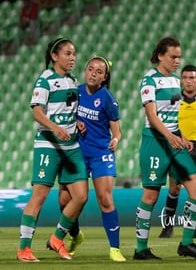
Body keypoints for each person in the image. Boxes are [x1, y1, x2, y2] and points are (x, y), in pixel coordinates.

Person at [134, 36, 196, 260]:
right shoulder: (149, 80)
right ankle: (140, 249)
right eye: (173, 56)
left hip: (175, 141)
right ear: (160, 56)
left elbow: (173, 115)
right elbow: (152, 115)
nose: (177, 60)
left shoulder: (175, 80)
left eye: (179, 56)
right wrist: (169, 136)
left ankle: (186, 243)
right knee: (150, 195)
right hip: (155, 142)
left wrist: (182, 136)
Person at [16, 37, 88, 262]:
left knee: (81, 196)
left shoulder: (73, 80)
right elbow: (37, 113)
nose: (72, 57)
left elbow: (67, 109)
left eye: (74, 53)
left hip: (71, 145)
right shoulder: (45, 80)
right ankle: (24, 249)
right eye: (67, 53)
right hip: (48, 145)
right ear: (54, 56)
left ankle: (57, 238)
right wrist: (56, 128)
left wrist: (77, 122)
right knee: (39, 196)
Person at [58, 55, 126, 262]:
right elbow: (64, 114)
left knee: (105, 199)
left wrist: (115, 140)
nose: (93, 74)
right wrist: (77, 120)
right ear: (85, 71)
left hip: (100, 153)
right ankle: (76, 235)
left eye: (98, 72)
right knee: (64, 200)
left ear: (104, 77)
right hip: (76, 152)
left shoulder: (107, 98)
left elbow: (117, 130)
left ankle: (115, 248)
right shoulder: (75, 92)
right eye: (90, 69)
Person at [158, 64, 196, 239]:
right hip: (178, 146)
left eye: (192, 78)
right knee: (175, 188)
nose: (188, 81)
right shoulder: (174, 99)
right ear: (181, 80)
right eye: (185, 78)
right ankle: (168, 227)